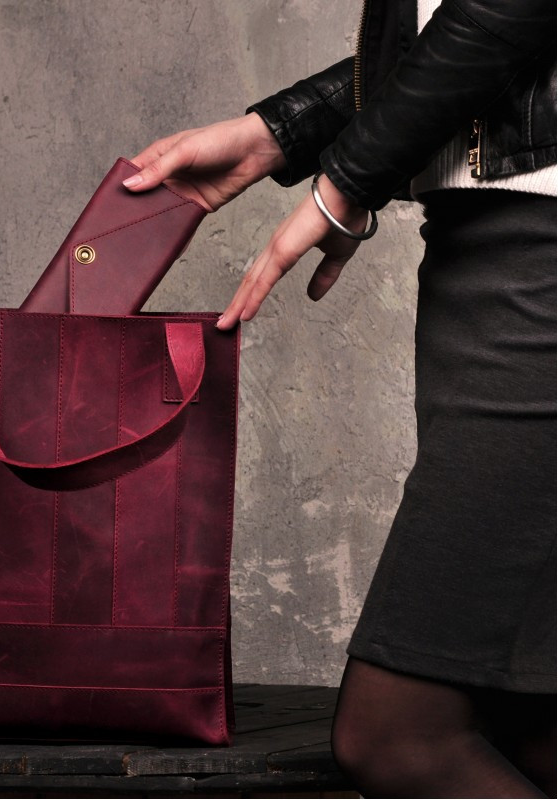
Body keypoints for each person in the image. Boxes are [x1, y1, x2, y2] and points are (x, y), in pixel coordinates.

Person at [124, 0, 556, 796]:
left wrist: (348, 180)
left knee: (398, 735)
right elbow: (450, 23)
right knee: (528, 725)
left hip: (537, 258)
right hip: (485, 239)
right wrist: (283, 130)